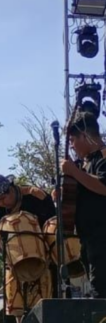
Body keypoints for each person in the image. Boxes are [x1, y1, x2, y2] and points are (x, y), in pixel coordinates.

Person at [0, 174, 56, 317]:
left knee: (47, 300)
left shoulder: (36, 196)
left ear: (11, 189)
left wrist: (49, 253)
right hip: (14, 261)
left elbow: (53, 225)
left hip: (44, 257)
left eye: (3, 198)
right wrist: (7, 256)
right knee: (16, 304)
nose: (1, 203)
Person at [63, 111, 106, 298]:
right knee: (96, 289)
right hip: (88, 237)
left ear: (85, 135)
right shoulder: (85, 163)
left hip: (102, 235)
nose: (72, 146)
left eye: (73, 140)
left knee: (101, 291)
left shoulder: (103, 157)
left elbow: (103, 186)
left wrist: (73, 171)